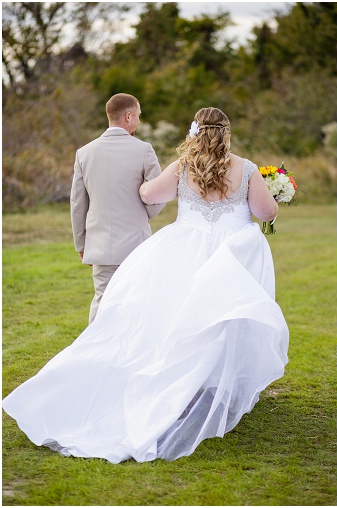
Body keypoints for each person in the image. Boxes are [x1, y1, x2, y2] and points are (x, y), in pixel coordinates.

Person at [3, 107, 289, 464]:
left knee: (178, 319)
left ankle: (186, 384)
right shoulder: (245, 169)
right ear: (228, 133)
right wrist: (277, 194)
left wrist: (139, 184)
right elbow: (266, 213)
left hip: (186, 249)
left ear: (195, 131)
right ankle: (208, 385)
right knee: (221, 320)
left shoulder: (184, 167)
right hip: (233, 256)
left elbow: (150, 195)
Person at [71, 93, 165, 324]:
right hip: (136, 242)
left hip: (99, 243)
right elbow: (158, 195)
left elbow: (77, 203)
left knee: (102, 300)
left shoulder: (84, 153)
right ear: (128, 116)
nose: (140, 122)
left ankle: (93, 351)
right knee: (137, 300)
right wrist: (142, 216)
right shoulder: (144, 150)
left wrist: (82, 243)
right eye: (139, 116)